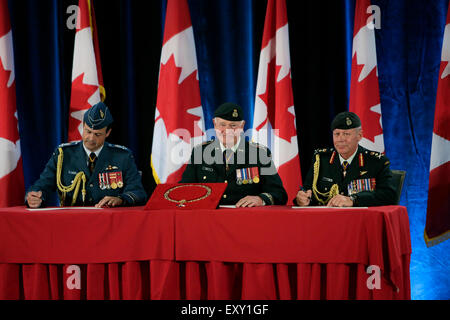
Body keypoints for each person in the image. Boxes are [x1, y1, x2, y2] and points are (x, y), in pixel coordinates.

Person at [25, 102, 147, 208]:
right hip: (72, 223)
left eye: (97, 134)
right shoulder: (63, 155)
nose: (91, 138)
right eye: (88, 131)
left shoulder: (122, 157)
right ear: (83, 126)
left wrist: (120, 200)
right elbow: (42, 185)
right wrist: (34, 197)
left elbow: (138, 192)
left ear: (108, 133)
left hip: (109, 223)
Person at [180, 102, 288, 207]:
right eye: (222, 125)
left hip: (244, 219)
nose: (227, 130)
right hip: (209, 219)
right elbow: (184, 189)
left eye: (233, 126)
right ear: (214, 124)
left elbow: (280, 194)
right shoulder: (200, 152)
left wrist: (261, 199)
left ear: (242, 126)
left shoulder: (259, 154)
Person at [295, 111, 396, 207]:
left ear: (360, 136)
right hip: (326, 221)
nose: (341, 139)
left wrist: (353, 200)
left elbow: (389, 195)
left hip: (360, 221)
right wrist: (302, 199)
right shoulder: (321, 160)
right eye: (337, 134)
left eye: (346, 134)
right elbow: (308, 192)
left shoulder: (376, 162)